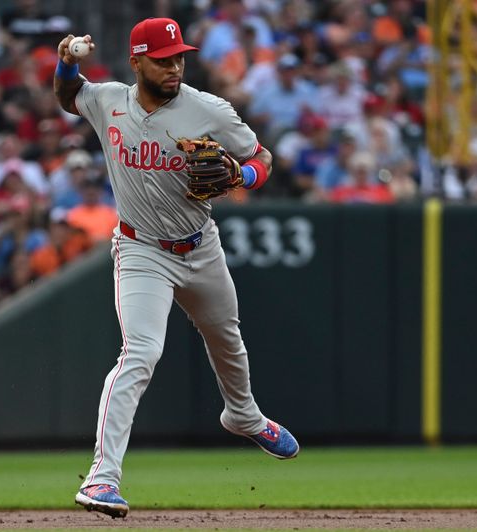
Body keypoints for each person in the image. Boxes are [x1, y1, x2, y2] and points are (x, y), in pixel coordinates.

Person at [53, 18, 299, 519]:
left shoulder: (209, 108)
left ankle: (244, 416)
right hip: (142, 250)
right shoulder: (109, 101)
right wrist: (65, 62)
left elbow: (261, 157)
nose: (175, 65)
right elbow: (67, 95)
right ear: (137, 60)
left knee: (225, 336)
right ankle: (102, 478)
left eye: (179, 56)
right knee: (141, 352)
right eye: (163, 58)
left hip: (200, 245)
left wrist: (243, 174)